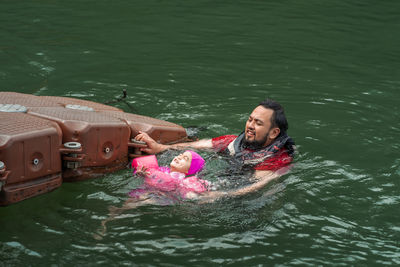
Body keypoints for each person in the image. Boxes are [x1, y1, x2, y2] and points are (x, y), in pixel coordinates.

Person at [134, 98, 295, 201]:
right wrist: (160, 148)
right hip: (216, 179)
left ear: (274, 132)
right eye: (250, 120)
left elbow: (257, 185)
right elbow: (198, 145)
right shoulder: (233, 141)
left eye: (258, 123)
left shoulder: (277, 160)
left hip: (241, 198)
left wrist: (219, 196)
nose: (250, 126)